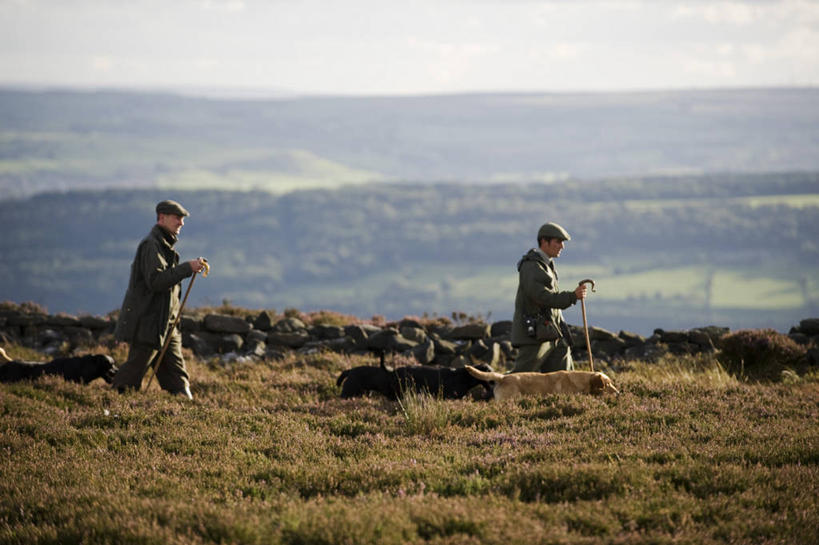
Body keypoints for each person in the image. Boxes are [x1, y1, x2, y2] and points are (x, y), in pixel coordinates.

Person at [112, 199, 206, 399]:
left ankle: (187, 413)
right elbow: (156, 281)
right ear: (162, 217)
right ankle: (112, 408)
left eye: (182, 219)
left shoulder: (164, 245)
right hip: (150, 323)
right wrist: (187, 268)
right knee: (131, 375)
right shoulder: (151, 245)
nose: (181, 223)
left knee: (177, 378)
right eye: (177, 218)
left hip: (167, 325)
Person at [510, 222, 587, 373]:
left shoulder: (545, 265)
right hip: (535, 335)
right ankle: (488, 387)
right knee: (519, 379)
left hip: (551, 333)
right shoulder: (532, 266)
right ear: (544, 242)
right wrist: (572, 296)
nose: (562, 246)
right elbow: (542, 297)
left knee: (565, 377)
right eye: (558, 241)